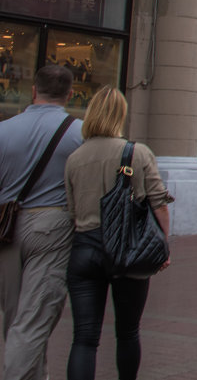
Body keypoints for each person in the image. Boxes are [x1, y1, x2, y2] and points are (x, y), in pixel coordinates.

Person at [63, 86, 172, 380]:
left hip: (85, 246)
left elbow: (72, 211)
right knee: (128, 332)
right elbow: (159, 203)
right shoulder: (137, 152)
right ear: (121, 115)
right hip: (129, 247)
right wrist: (163, 244)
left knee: (84, 338)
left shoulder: (75, 158)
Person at [0, 64, 84, 380]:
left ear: (33, 91)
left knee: (15, 318)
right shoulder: (79, 133)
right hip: (52, 227)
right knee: (34, 319)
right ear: (70, 94)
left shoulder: (4, 129)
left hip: (6, 227)